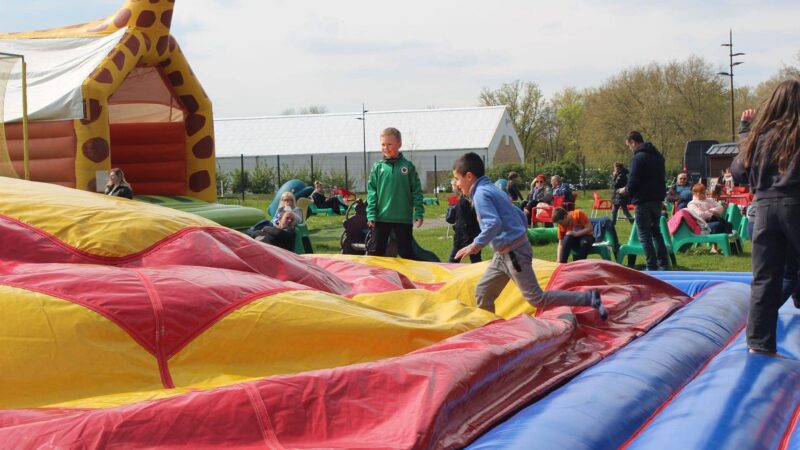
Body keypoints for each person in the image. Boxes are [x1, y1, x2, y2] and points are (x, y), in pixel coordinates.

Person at [452, 152, 607, 320]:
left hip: (513, 253)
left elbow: (493, 224)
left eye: (457, 179)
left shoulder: (481, 194)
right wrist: (520, 236)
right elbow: (518, 214)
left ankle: (589, 298)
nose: (457, 185)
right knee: (483, 292)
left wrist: (475, 245)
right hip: (504, 253)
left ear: (469, 176)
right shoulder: (493, 189)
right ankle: (490, 331)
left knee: (536, 298)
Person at [731, 81, 800, 356]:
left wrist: (746, 131)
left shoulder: (761, 135)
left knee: (764, 278)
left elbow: (738, 170)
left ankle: (759, 343)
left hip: (765, 209)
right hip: (795, 203)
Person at [366, 127, 424, 259]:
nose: (385, 147)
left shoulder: (408, 167)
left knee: (406, 253)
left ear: (399, 144)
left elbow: (416, 191)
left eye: (389, 144)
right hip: (381, 218)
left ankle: (408, 279)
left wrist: (419, 212)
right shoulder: (378, 167)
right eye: (383, 144)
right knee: (376, 252)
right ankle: (377, 279)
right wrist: (371, 213)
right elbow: (372, 192)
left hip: (403, 219)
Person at [618, 130, 669, 271]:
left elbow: (633, 181)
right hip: (657, 199)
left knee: (644, 234)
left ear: (633, 142)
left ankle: (651, 265)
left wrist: (625, 190)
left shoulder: (638, 158)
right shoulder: (658, 156)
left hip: (642, 200)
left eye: (629, 145)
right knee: (656, 232)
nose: (630, 148)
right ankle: (663, 264)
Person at [685, 183, 730, 254]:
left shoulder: (710, 200)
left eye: (704, 192)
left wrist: (710, 211)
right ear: (695, 193)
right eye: (701, 193)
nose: (704, 194)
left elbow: (720, 208)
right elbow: (700, 215)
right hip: (701, 225)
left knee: (726, 224)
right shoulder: (692, 204)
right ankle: (715, 247)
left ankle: (724, 247)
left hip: (713, 220)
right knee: (718, 224)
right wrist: (712, 211)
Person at [445, 179, 481, 263]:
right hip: (472, 235)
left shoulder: (463, 202)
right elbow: (452, 219)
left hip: (463, 237)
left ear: (457, 187)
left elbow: (463, 222)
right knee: (476, 260)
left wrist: (466, 240)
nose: (452, 188)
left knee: (453, 261)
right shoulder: (467, 200)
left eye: (452, 186)